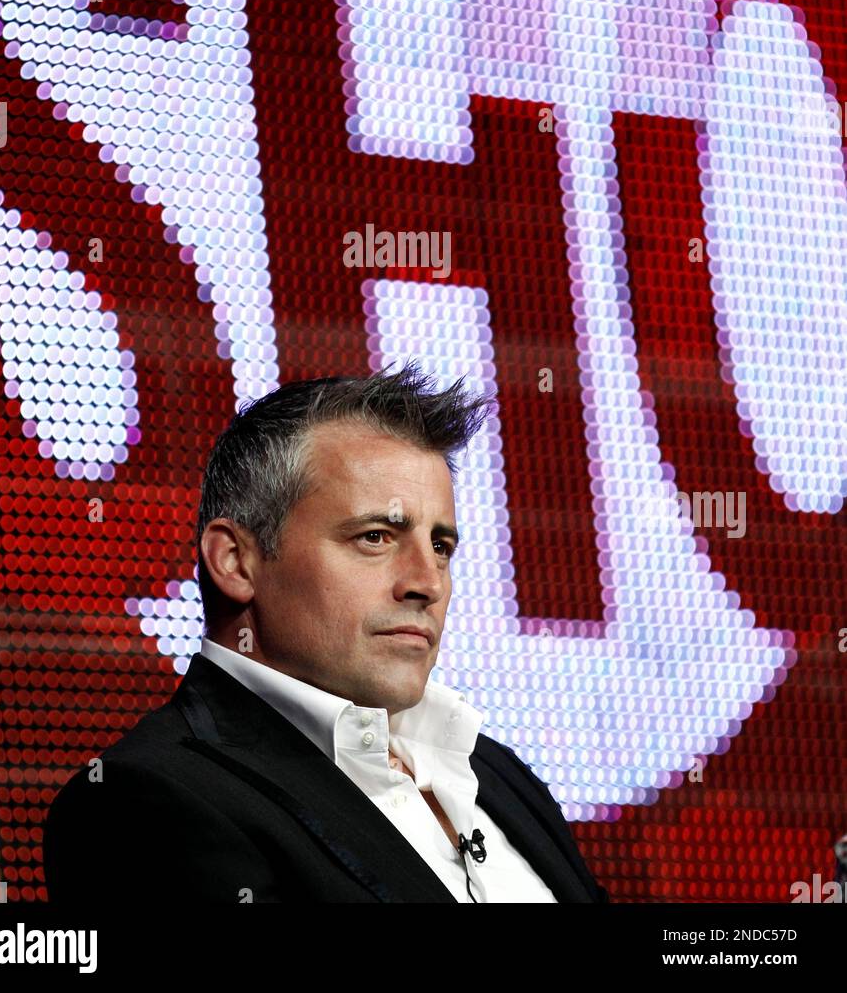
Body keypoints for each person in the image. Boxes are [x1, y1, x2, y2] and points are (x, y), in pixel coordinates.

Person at [44, 362, 610, 903]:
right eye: (375, 538)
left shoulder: (496, 771)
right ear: (236, 562)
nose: (426, 583)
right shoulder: (143, 803)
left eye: (440, 547)